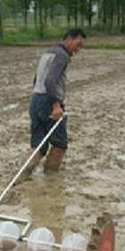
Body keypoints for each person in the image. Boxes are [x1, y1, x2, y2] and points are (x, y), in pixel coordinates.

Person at [26, 28, 86, 174]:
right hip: (48, 102)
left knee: (38, 146)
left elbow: (36, 80)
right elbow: (50, 81)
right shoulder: (62, 55)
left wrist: (41, 101)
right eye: (77, 45)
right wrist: (56, 105)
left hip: (35, 101)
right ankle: (50, 182)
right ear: (69, 39)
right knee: (60, 145)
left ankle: (23, 176)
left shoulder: (48, 52)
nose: (78, 50)